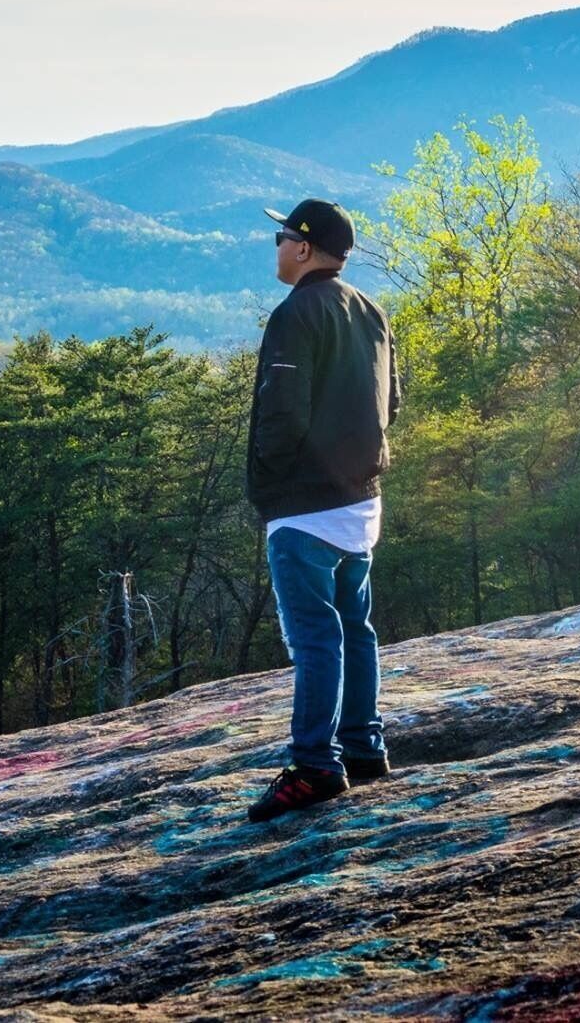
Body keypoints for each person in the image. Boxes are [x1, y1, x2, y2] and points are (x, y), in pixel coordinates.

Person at [244, 196, 401, 822]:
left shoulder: (295, 315)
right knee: (354, 631)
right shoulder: (372, 312)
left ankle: (315, 766)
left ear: (304, 247)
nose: (276, 247)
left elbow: (282, 415)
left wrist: (269, 486)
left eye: (281, 237)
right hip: (362, 504)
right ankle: (364, 749)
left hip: (304, 508)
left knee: (315, 641)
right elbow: (390, 406)